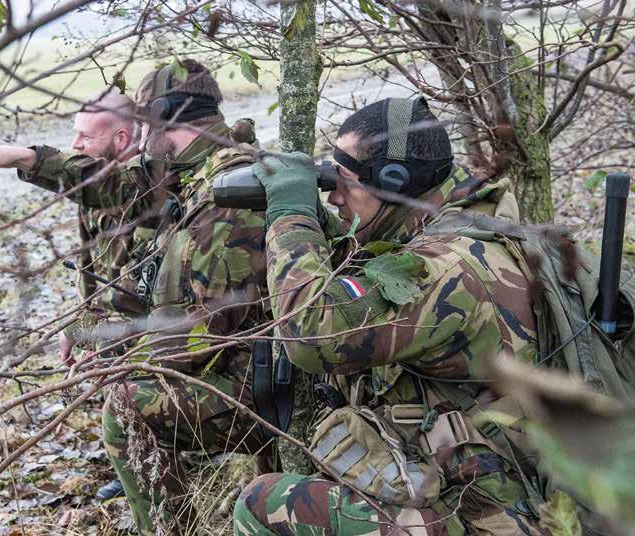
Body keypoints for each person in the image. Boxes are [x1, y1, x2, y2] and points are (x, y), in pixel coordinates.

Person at [233, 97, 547, 535]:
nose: (335, 196)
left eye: (344, 182)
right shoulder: (469, 222)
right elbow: (371, 275)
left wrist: (291, 214)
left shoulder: (452, 268)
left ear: (396, 183)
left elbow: (311, 333)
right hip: (488, 491)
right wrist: (327, 223)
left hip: (489, 518)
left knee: (262, 504)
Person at [0, 89, 150, 501]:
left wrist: (22, 156)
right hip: (119, 328)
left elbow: (135, 299)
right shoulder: (98, 191)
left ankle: (150, 471)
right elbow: (97, 276)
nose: (75, 145)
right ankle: (131, 461)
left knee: (134, 389)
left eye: (84, 137)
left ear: (122, 142)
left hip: (156, 337)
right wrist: (83, 324)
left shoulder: (146, 189)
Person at [98, 59, 275, 535]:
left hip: (259, 388)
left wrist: (130, 356)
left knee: (124, 407)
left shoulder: (225, 197)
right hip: (248, 368)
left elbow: (217, 332)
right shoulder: (202, 173)